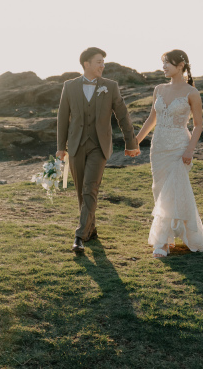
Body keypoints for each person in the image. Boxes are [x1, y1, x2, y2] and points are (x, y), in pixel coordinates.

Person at [56, 47, 140, 254]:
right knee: (80, 193)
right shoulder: (69, 86)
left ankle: (79, 236)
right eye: (99, 62)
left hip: (99, 146)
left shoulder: (110, 87)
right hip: (76, 145)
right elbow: (62, 118)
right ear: (86, 64)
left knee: (90, 188)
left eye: (103, 62)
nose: (103, 66)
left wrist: (131, 143)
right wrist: (60, 147)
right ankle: (90, 230)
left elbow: (123, 116)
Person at [134, 49, 203, 258]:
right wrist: (136, 142)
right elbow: (152, 119)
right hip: (158, 147)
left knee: (173, 192)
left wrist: (189, 150)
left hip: (179, 147)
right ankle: (167, 237)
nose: (164, 67)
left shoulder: (192, 93)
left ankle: (163, 242)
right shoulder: (159, 89)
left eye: (168, 63)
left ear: (181, 66)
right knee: (160, 191)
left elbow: (197, 125)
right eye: (163, 63)